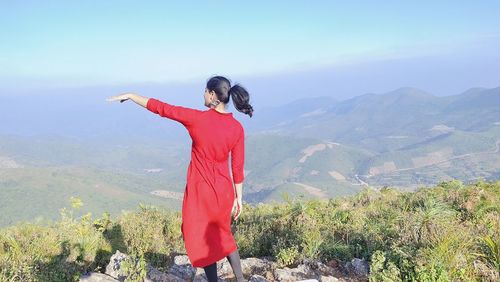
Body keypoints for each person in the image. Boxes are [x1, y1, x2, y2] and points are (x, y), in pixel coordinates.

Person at [106, 75, 253, 282]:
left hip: (201, 190)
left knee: (203, 237)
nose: (202, 93)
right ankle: (240, 279)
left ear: (212, 95)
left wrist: (132, 96)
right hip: (224, 190)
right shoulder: (237, 128)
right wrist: (239, 198)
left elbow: (162, 108)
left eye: (205, 90)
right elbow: (237, 167)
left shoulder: (197, 119)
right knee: (223, 234)